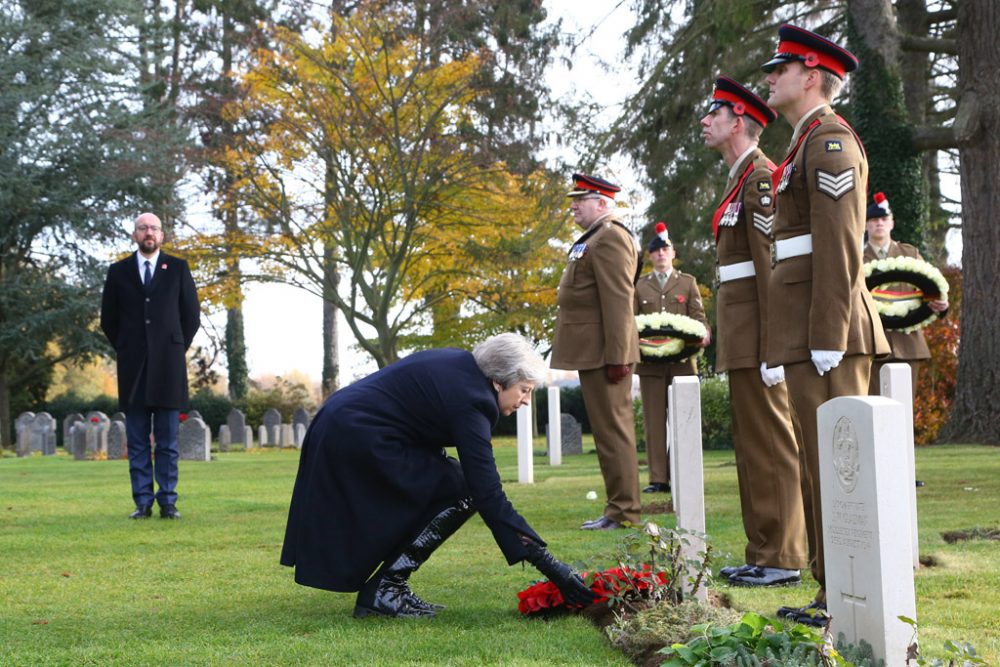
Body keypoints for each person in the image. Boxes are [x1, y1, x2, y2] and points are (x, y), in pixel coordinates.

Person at [280, 334, 596, 618]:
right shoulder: (474, 401)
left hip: (343, 424)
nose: (526, 400)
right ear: (499, 382)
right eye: (524, 390)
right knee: (462, 488)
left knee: (453, 481)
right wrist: (553, 568)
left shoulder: (461, 367)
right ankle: (386, 589)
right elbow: (488, 492)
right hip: (357, 435)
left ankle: (387, 588)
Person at [760, 25, 889, 626]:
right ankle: (830, 591)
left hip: (826, 332)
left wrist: (828, 335)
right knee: (818, 468)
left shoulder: (829, 141)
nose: (769, 79)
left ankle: (846, 596)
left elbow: (840, 247)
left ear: (810, 76)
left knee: (839, 473)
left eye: (779, 70)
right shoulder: (803, 143)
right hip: (806, 327)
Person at [699, 76, 807, 587]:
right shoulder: (738, 178)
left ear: (737, 121)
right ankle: (763, 550)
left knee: (771, 443)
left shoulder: (761, 177)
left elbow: (769, 264)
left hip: (760, 334)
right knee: (751, 446)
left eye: (713, 114)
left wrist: (773, 344)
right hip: (742, 332)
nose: (705, 121)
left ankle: (784, 555)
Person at [550, 173, 642, 531]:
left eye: (581, 199)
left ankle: (625, 511)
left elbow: (619, 302)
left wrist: (619, 356)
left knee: (614, 432)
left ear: (602, 203)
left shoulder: (610, 238)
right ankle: (617, 508)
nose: (573, 204)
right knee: (606, 434)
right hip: (596, 352)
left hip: (607, 354)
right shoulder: (596, 237)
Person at [100, 213, 201, 520]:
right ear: (134, 235)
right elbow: (109, 320)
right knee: (139, 440)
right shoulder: (118, 272)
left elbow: (191, 316)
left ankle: (168, 501)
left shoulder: (178, 269)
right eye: (143, 228)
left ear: (162, 235)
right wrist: (129, 347)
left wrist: (172, 347)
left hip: (169, 368)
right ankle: (142, 501)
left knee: (168, 442)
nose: (149, 233)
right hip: (133, 369)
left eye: (154, 228)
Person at [633, 223, 709, 495]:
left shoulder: (687, 283)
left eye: (665, 249)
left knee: (684, 418)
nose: (661, 254)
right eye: (655, 251)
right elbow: (631, 324)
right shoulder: (640, 286)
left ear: (673, 253)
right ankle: (658, 479)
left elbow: (699, 319)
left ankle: (684, 472)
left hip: (682, 365)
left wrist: (704, 334)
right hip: (651, 365)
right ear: (650, 256)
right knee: (654, 423)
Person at [864, 192, 949, 396]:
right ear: (866, 225)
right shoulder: (857, 258)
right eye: (874, 219)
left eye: (884, 219)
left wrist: (941, 306)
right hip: (871, 345)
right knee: (874, 410)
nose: (879, 224)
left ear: (892, 223)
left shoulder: (909, 253)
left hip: (908, 345)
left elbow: (930, 290)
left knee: (904, 411)